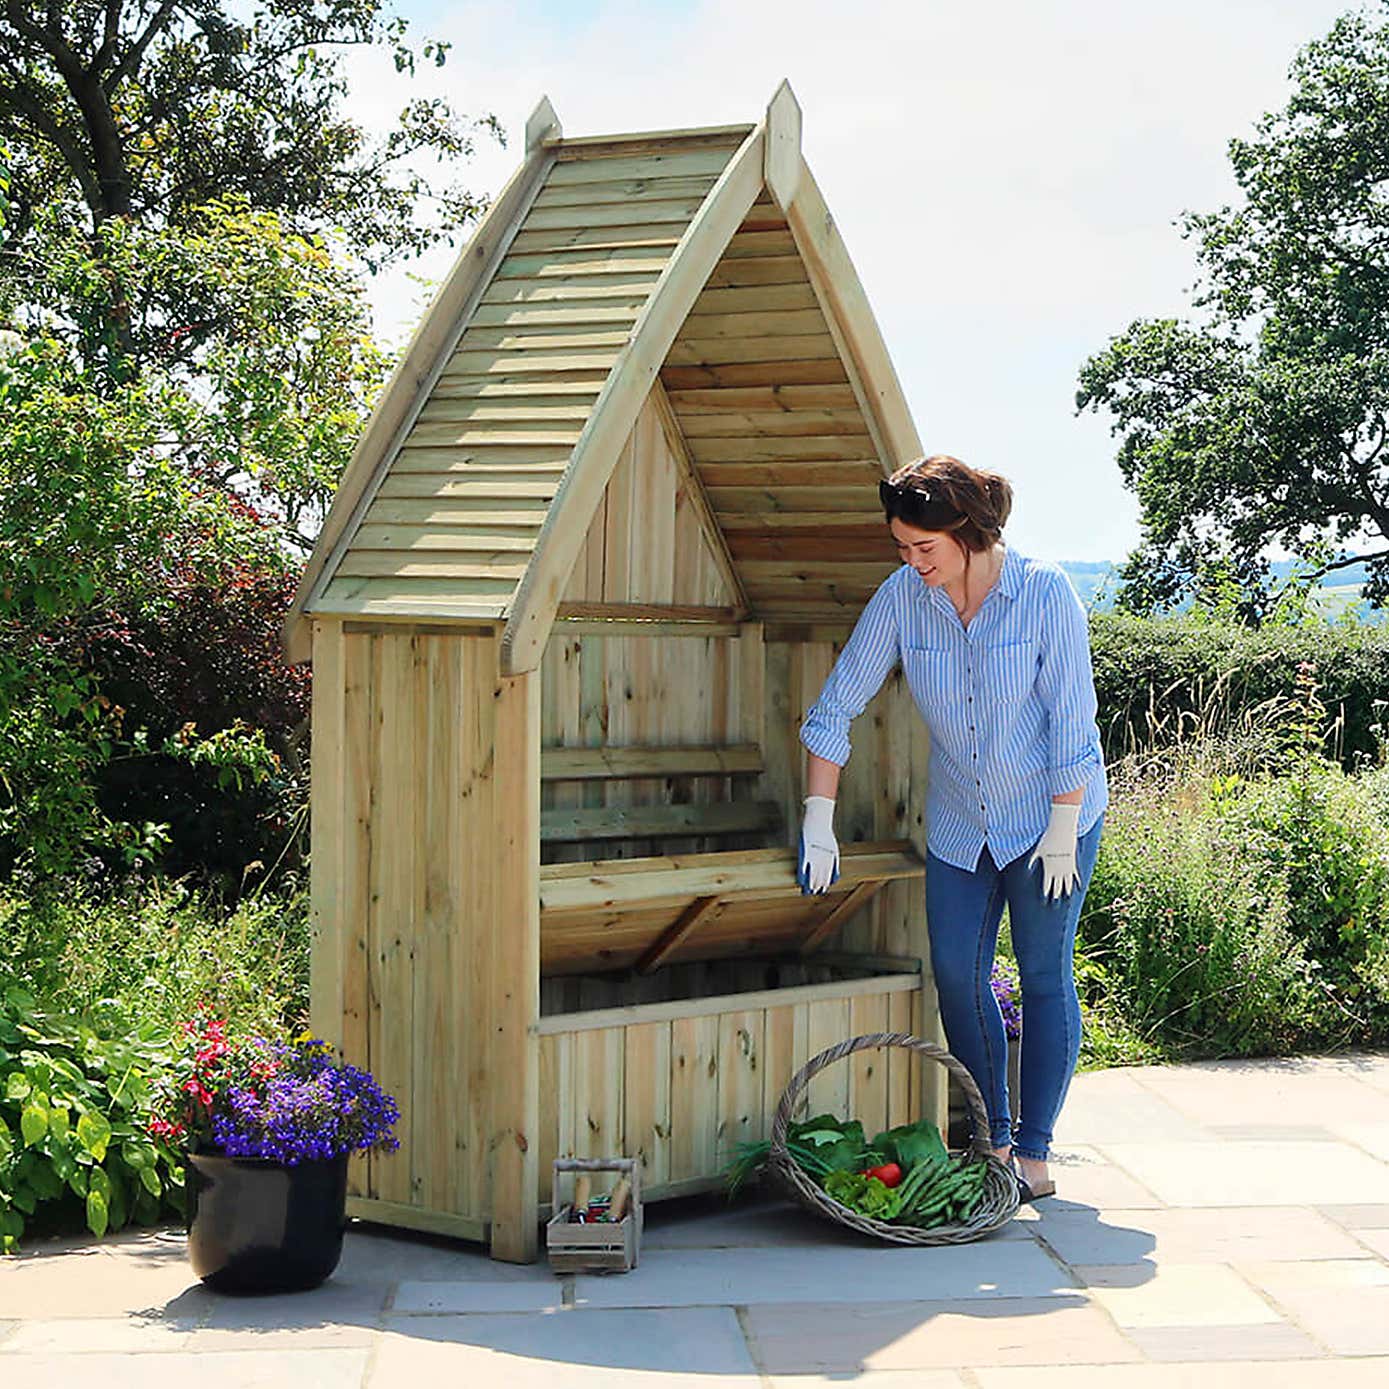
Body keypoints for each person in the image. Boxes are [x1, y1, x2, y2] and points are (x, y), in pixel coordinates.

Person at [797, 454, 1107, 1202]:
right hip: (962, 824)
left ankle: (1033, 1155)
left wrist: (1063, 827)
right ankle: (990, 1140)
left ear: (966, 531)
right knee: (957, 977)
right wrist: (817, 818)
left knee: (1041, 976)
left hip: (1049, 819)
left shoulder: (1043, 593)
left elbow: (1072, 725)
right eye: (901, 548)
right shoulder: (905, 598)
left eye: (923, 548)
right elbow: (835, 705)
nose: (911, 563)